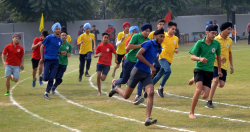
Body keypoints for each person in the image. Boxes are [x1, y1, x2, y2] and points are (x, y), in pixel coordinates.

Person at [109, 28, 164, 126]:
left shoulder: (159, 48)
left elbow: (153, 58)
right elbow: (138, 55)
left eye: (163, 36)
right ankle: (116, 88)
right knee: (126, 96)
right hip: (137, 71)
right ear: (155, 36)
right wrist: (151, 66)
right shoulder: (148, 43)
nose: (162, 38)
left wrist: (154, 66)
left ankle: (147, 119)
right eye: (160, 36)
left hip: (146, 73)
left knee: (150, 93)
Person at [111, 23, 152, 105]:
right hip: (129, 61)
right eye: (146, 31)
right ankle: (115, 82)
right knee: (124, 80)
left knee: (140, 78)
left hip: (138, 63)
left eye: (149, 31)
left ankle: (137, 96)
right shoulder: (136, 36)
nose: (147, 33)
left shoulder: (148, 40)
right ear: (142, 30)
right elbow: (128, 46)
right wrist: (141, 45)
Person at [188, 25, 222, 119]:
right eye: (212, 33)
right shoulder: (200, 43)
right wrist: (199, 58)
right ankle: (191, 113)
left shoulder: (217, 44)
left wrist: (219, 70)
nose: (214, 35)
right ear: (207, 32)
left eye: (215, 33)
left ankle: (194, 78)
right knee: (198, 90)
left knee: (205, 96)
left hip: (210, 71)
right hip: (199, 69)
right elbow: (192, 56)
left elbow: (218, 58)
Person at [136, 19, 165, 100]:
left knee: (157, 68)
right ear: (157, 25)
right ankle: (139, 93)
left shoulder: (163, 34)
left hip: (155, 56)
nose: (162, 25)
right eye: (160, 24)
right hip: (146, 56)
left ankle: (146, 85)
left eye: (163, 24)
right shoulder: (153, 34)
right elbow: (148, 43)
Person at [206, 22, 234, 108]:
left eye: (230, 29)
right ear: (222, 30)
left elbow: (229, 53)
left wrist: (231, 65)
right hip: (214, 64)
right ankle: (209, 102)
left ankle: (206, 80)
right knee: (215, 80)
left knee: (221, 84)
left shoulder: (230, 41)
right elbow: (209, 53)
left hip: (224, 66)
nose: (230, 31)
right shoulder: (215, 39)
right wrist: (219, 58)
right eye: (228, 29)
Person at [152, 21, 179, 98]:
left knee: (159, 75)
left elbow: (175, 47)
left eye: (175, 29)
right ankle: (160, 88)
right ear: (168, 29)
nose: (174, 31)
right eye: (172, 29)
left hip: (170, 59)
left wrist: (176, 50)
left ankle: (148, 85)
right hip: (162, 58)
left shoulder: (176, 38)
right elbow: (157, 43)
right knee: (168, 71)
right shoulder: (163, 36)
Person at [40, 22, 65, 100]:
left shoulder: (60, 40)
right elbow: (41, 46)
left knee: (51, 78)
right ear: (54, 30)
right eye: (56, 29)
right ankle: (42, 75)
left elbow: (55, 50)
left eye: (59, 29)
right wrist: (42, 58)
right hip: (47, 59)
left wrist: (60, 52)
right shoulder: (49, 37)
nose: (58, 30)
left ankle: (46, 93)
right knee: (45, 78)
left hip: (55, 61)